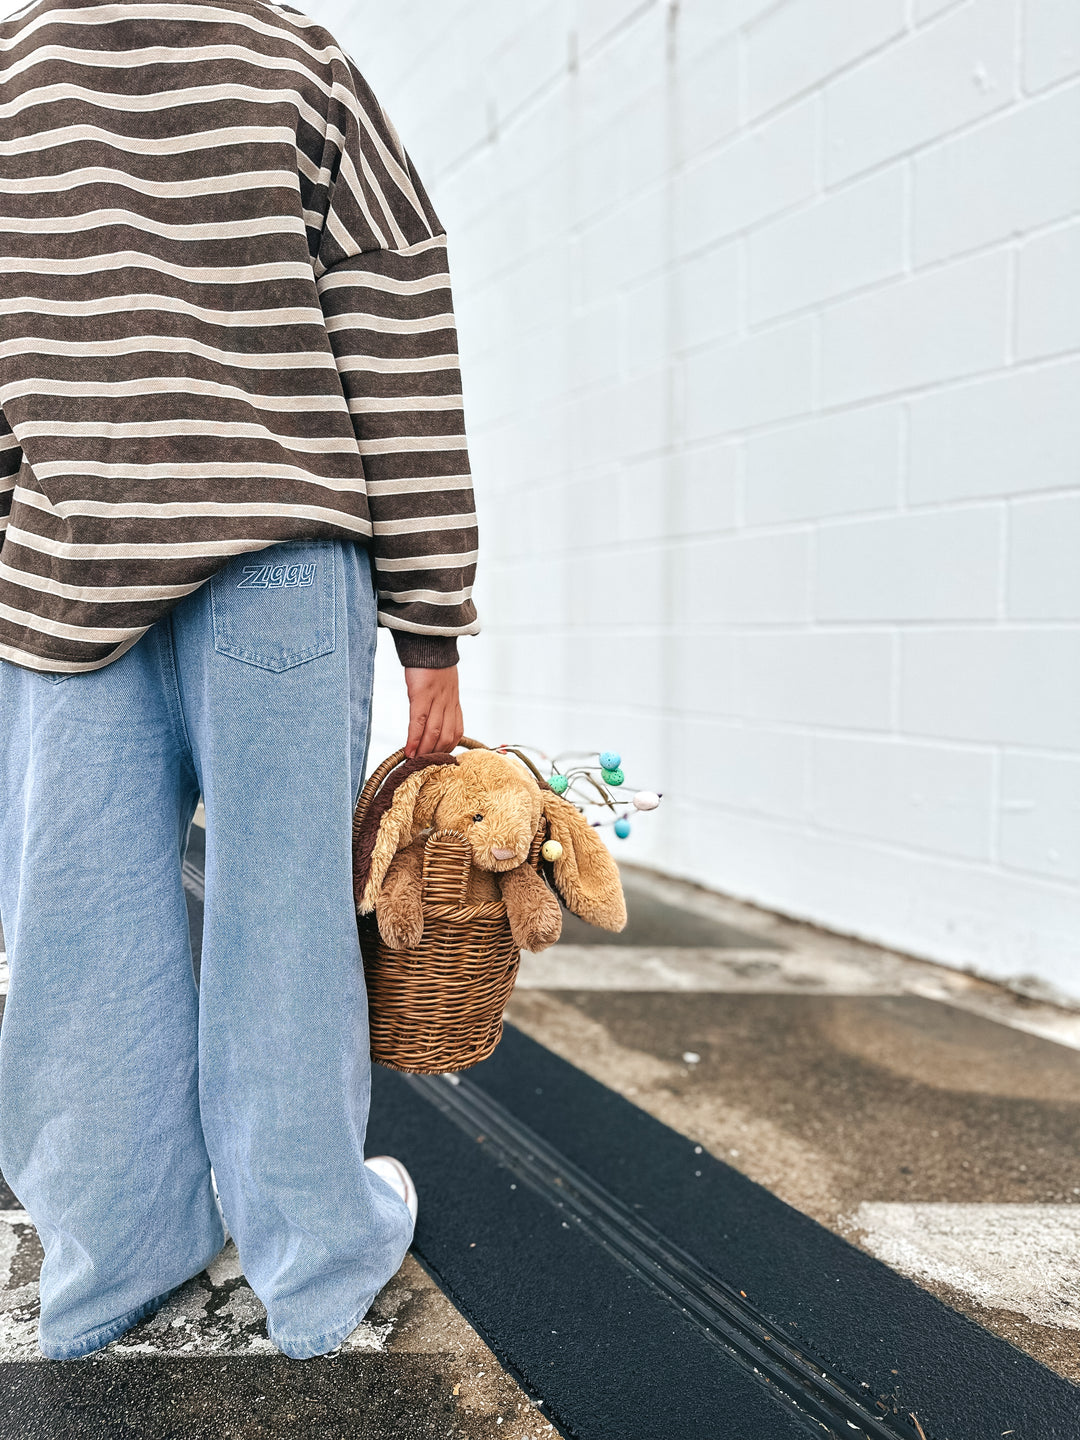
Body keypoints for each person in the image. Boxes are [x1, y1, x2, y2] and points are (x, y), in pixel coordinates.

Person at [0, 0, 477, 1360]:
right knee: (286, 932)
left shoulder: (11, 73)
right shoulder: (300, 61)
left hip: (69, 552)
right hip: (280, 554)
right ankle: (317, 1264)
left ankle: (108, 1270)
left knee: (77, 942)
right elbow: (400, 332)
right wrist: (431, 622)